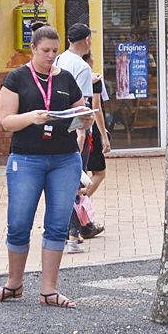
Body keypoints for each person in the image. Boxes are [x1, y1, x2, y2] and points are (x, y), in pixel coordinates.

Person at [0, 24, 90, 308]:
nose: (50, 56)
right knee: (19, 222)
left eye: (55, 51)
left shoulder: (66, 79)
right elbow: (6, 121)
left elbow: (79, 113)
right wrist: (31, 117)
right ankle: (14, 283)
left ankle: (48, 290)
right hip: (27, 158)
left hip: (64, 159)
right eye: (45, 51)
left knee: (57, 224)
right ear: (32, 49)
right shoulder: (16, 78)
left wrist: (84, 120)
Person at [56, 23, 109, 250]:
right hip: (77, 130)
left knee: (66, 182)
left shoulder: (59, 60)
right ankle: (74, 234)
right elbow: (84, 106)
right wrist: (82, 135)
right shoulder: (83, 68)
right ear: (86, 40)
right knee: (75, 182)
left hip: (58, 125)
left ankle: (71, 231)